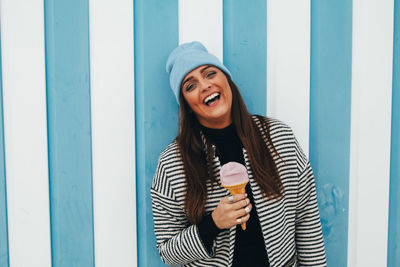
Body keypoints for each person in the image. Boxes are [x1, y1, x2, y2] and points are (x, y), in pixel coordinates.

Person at [151, 41, 326, 267]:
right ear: (186, 104)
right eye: (190, 86)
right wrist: (212, 224)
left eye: (210, 73)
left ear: (227, 79)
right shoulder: (172, 163)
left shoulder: (279, 138)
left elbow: (307, 219)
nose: (204, 86)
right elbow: (168, 253)